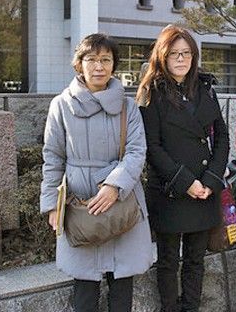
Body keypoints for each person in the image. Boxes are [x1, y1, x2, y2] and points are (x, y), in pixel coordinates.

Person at [40, 33, 153, 312]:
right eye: (91, 59)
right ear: (79, 64)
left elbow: (137, 151)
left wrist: (114, 186)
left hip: (122, 200)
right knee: (85, 286)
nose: (99, 66)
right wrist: (52, 206)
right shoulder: (62, 105)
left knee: (122, 282)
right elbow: (53, 157)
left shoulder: (128, 106)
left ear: (114, 65)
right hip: (80, 202)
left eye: (106, 60)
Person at [137, 25, 229, 312]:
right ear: (162, 56)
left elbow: (222, 137)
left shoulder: (205, 88)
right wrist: (186, 182)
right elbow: (152, 147)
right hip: (170, 190)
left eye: (186, 53)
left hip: (204, 188)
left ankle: (191, 308)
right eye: (174, 53)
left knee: (195, 260)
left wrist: (211, 180)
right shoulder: (151, 92)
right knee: (167, 261)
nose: (181, 59)